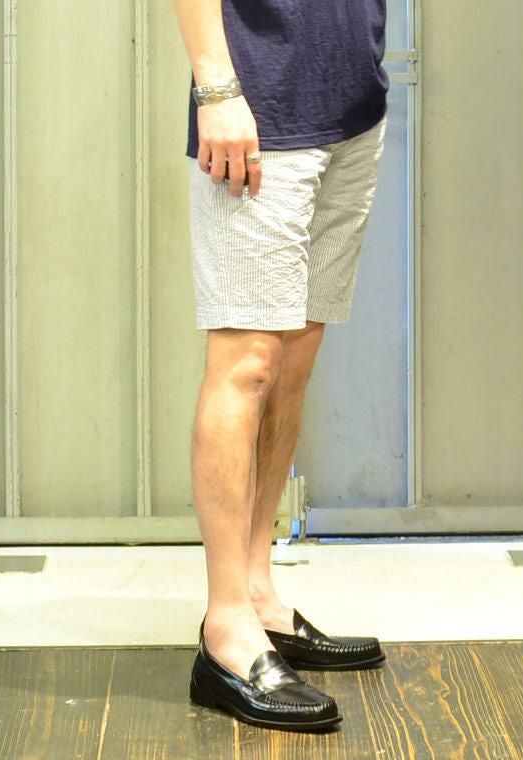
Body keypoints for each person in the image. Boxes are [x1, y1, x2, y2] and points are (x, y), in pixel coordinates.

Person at [172, 0, 389, 732]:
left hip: (352, 102)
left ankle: (259, 595)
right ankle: (227, 629)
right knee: (248, 365)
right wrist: (215, 88)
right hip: (258, 108)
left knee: (294, 357)